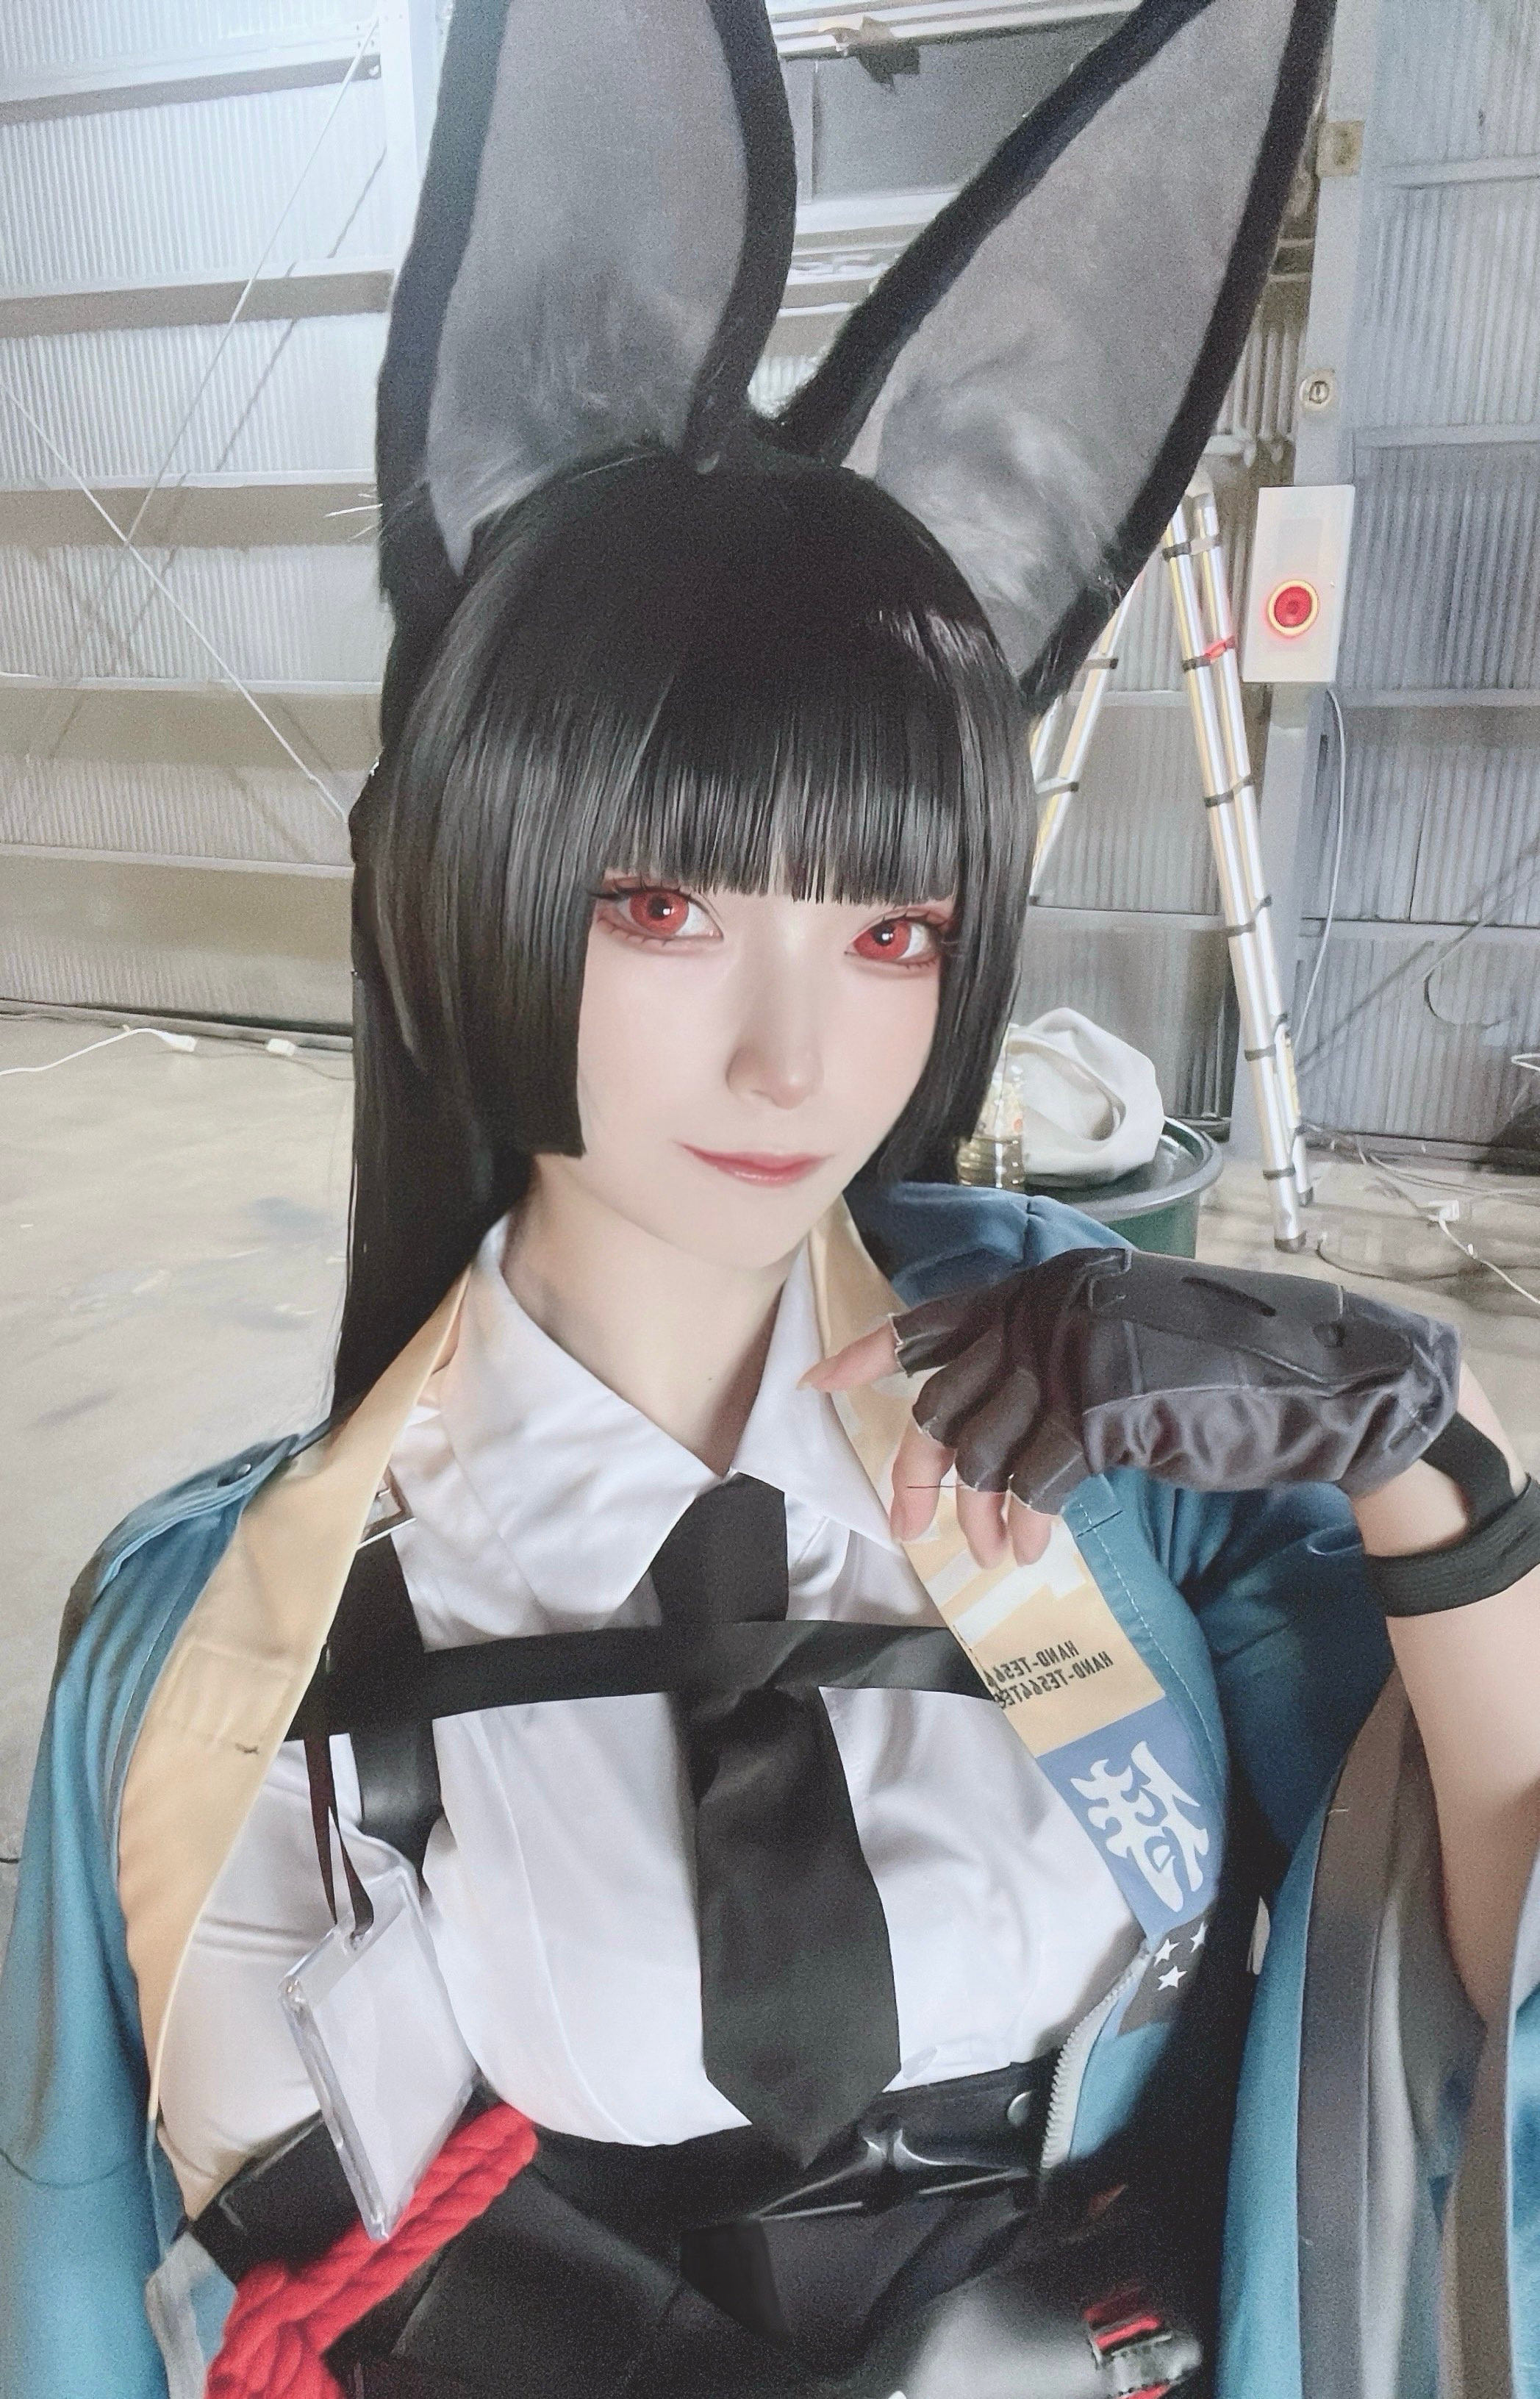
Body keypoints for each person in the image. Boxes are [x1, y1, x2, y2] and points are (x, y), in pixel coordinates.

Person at [3, 1, 1539, 2394]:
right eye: (664, 908)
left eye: (893, 933)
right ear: (472, 880)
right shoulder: (207, 1649)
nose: (796, 1060)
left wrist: (1427, 1466)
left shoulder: (1124, 1493)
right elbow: (74, 2274)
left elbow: (1474, 1972)